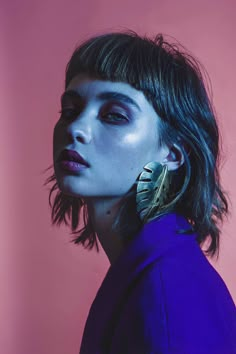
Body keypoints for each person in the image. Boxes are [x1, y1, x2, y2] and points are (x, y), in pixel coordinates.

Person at [44, 31, 236, 353]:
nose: (76, 128)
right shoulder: (151, 268)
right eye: (70, 110)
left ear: (172, 153)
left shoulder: (166, 296)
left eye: (114, 115)